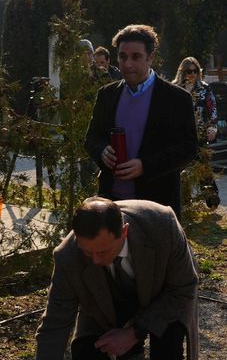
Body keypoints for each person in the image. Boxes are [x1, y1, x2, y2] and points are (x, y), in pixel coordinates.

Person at [33, 197, 199, 360]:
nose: (95, 260)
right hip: (108, 300)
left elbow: (184, 288)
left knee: (168, 346)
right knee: (84, 349)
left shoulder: (162, 225)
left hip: (163, 294)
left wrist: (134, 332)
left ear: (124, 232)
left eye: (103, 251)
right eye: (88, 252)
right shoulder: (68, 256)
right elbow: (53, 327)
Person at [84, 24, 198, 217]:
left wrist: (145, 165)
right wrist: (102, 151)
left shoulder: (177, 98)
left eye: (135, 57)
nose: (128, 64)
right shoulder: (107, 95)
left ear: (150, 57)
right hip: (112, 205)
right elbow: (91, 138)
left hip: (156, 207)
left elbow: (188, 149)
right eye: (123, 57)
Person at [172, 57, 218, 145]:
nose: (192, 73)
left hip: (200, 135)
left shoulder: (205, 88)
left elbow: (213, 108)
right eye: (189, 71)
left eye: (195, 71)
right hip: (179, 135)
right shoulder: (175, 88)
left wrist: (212, 127)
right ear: (183, 72)